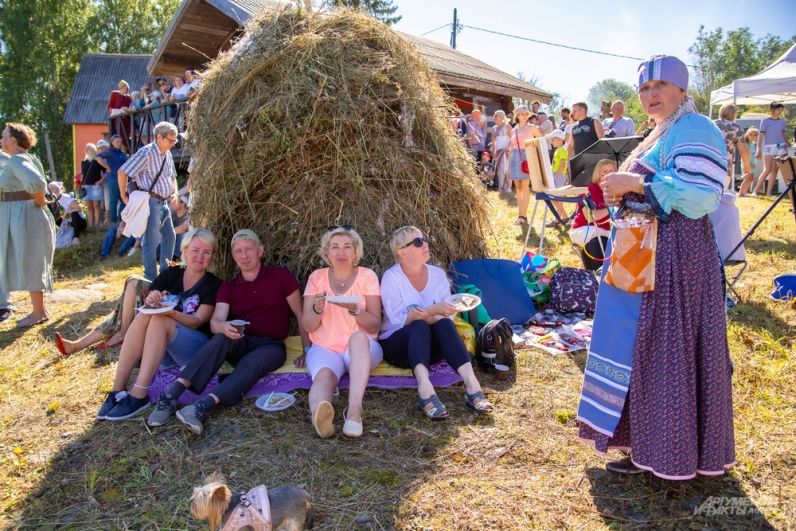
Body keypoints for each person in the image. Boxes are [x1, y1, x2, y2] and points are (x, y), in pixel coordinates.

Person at [577, 55, 734, 479]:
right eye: (645, 88)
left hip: (677, 259)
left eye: (661, 85)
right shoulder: (658, 133)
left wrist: (636, 184)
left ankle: (675, 454)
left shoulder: (697, 128)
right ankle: (646, 447)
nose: (651, 95)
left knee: (666, 351)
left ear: (682, 89)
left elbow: (701, 196)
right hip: (643, 257)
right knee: (642, 351)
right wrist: (620, 192)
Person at [146, 229, 308, 435]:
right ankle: (171, 395)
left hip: (270, 345)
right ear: (233, 256)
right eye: (238, 251)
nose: (244, 255)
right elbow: (216, 322)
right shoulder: (229, 287)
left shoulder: (280, 277)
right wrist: (223, 327)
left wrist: (307, 350)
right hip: (240, 340)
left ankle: (201, 407)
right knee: (222, 336)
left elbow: (301, 314)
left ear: (260, 250)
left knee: (254, 363)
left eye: (249, 249)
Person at [97, 229, 223, 421]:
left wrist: (169, 312)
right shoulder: (171, 274)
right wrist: (153, 300)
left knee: (160, 318)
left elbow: (197, 321)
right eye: (195, 250)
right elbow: (150, 304)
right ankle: (117, 389)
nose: (200, 256)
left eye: (206, 252)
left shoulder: (213, 284)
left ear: (212, 256)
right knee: (144, 315)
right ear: (185, 250)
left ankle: (139, 394)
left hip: (193, 351)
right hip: (161, 349)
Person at [379, 226, 492, 419]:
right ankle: (425, 390)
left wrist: (436, 313)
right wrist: (433, 310)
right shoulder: (391, 278)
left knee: (443, 323)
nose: (425, 245)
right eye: (417, 242)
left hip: (430, 349)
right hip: (400, 348)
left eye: (424, 239)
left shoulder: (438, 274)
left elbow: (445, 314)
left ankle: (472, 385)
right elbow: (403, 320)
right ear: (401, 252)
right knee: (419, 325)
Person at [298, 227, 383, 438]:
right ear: (327, 254)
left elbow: (374, 325)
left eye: (347, 247)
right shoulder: (316, 278)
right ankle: (320, 414)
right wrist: (317, 309)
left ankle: (354, 410)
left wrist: (356, 311)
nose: (341, 252)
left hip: (363, 348)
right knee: (323, 378)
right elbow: (309, 325)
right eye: (334, 247)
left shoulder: (367, 276)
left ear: (356, 253)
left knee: (357, 337)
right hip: (325, 346)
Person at [0, 122, 56, 329]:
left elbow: (37, 183)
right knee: (31, 260)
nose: (1, 140)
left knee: (32, 261)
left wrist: (41, 201)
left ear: (13, 141)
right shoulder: (26, 158)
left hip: (25, 217)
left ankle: (38, 312)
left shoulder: (17, 160)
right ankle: (39, 310)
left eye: (4, 136)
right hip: (23, 216)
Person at [118, 121, 179, 281]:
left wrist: (175, 193)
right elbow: (122, 172)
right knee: (151, 240)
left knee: (170, 236)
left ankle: (165, 274)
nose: (173, 144)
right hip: (151, 202)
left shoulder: (168, 153)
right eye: (170, 140)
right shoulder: (146, 153)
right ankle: (151, 279)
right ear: (159, 137)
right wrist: (124, 196)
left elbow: (172, 177)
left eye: (175, 141)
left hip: (164, 202)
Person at [569, 159, 614, 270]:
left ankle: (586, 275)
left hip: (603, 232)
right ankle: (596, 274)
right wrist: (611, 208)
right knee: (601, 242)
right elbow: (592, 217)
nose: (608, 173)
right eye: (605, 170)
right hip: (583, 228)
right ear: (598, 173)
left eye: (612, 170)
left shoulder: (614, 191)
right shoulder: (590, 189)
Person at [509, 105, 542, 225]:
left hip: (527, 157)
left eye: (525, 113)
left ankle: (523, 216)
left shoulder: (532, 127)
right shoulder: (513, 130)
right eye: (521, 113)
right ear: (517, 115)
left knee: (524, 186)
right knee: (517, 188)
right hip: (515, 158)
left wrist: (534, 155)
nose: (523, 116)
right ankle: (520, 214)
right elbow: (511, 147)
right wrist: (508, 165)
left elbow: (541, 141)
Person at [752, 102, 787, 196]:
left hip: (781, 146)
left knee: (775, 170)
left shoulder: (783, 121)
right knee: (767, 169)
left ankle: (769, 192)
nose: (780, 111)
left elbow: (784, 134)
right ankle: (755, 191)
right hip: (769, 147)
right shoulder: (765, 121)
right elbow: (761, 136)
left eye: (781, 109)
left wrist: (786, 146)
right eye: (778, 109)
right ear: (772, 110)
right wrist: (758, 149)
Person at [713, 103, 749, 189]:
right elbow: (744, 151)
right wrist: (746, 168)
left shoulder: (711, 124)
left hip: (707, 162)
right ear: (734, 114)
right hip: (725, 165)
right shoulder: (737, 128)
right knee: (721, 194)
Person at [96, 134, 129, 224]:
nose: (119, 143)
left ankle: (121, 220)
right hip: (113, 178)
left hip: (123, 179)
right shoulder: (109, 151)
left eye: (120, 142)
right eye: (117, 142)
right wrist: (106, 166)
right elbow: (98, 157)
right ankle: (113, 221)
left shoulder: (122, 153)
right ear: (112, 142)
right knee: (114, 200)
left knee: (123, 199)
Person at [47, 181, 86, 245]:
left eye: (55, 187)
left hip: (80, 221)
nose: (54, 189)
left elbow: (79, 208)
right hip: (72, 222)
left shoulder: (65, 197)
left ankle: (76, 237)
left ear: (58, 187)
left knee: (74, 213)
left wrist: (68, 212)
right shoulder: (57, 199)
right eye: (52, 188)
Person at [546, 129, 570, 224]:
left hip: (559, 176)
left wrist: (557, 174)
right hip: (556, 175)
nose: (551, 142)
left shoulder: (562, 150)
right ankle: (564, 217)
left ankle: (557, 218)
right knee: (554, 198)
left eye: (553, 140)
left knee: (558, 198)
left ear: (560, 140)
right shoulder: (558, 150)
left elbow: (563, 164)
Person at [82, 140, 106, 228]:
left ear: (92, 149)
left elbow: (107, 171)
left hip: (96, 186)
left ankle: (97, 225)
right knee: (89, 207)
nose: (86, 149)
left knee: (96, 206)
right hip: (86, 186)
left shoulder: (97, 161)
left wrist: (100, 181)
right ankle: (90, 225)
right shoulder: (83, 162)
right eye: (86, 148)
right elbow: (83, 174)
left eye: (88, 148)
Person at [490, 110, 512, 192]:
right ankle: (501, 187)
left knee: (506, 169)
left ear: (502, 117)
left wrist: (508, 147)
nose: (495, 117)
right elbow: (493, 142)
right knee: (499, 169)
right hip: (498, 151)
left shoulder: (507, 126)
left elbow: (512, 139)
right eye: (495, 115)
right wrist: (494, 151)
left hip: (506, 151)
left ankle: (508, 187)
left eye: (497, 115)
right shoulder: (494, 128)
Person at [107, 80, 133, 148]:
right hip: (115, 118)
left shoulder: (128, 97)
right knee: (116, 134)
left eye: (128, 89)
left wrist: (126, 110)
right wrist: (115, 111)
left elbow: (129, 108)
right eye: (126, 88)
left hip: (125, 119)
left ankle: (125, 148)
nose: (127, 90)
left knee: (125, 135)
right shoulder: (114, 94)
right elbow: (109, 107)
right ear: (122, 87)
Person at [738, 127, 759, 197]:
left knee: (751, 178)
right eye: (751, 135)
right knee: (747, 178)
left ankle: (745, 192)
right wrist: (749, 164)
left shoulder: (753, 144)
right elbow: (744, 155)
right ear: (747, 135)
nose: (753, 137)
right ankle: (741, 193)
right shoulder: (746, 144)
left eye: (755, 135)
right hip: (746, 163)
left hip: (752, 164)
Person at [171, 194, 191, 260]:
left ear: (183, 204)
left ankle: (175, 256)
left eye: (178, 201)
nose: (176, 203)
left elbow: (184, 228)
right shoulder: (173, 213)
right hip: (174, 234)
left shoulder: (187, 215)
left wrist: (171, 232)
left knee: (181, 235)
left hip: (182, 237)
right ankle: (158, 254)